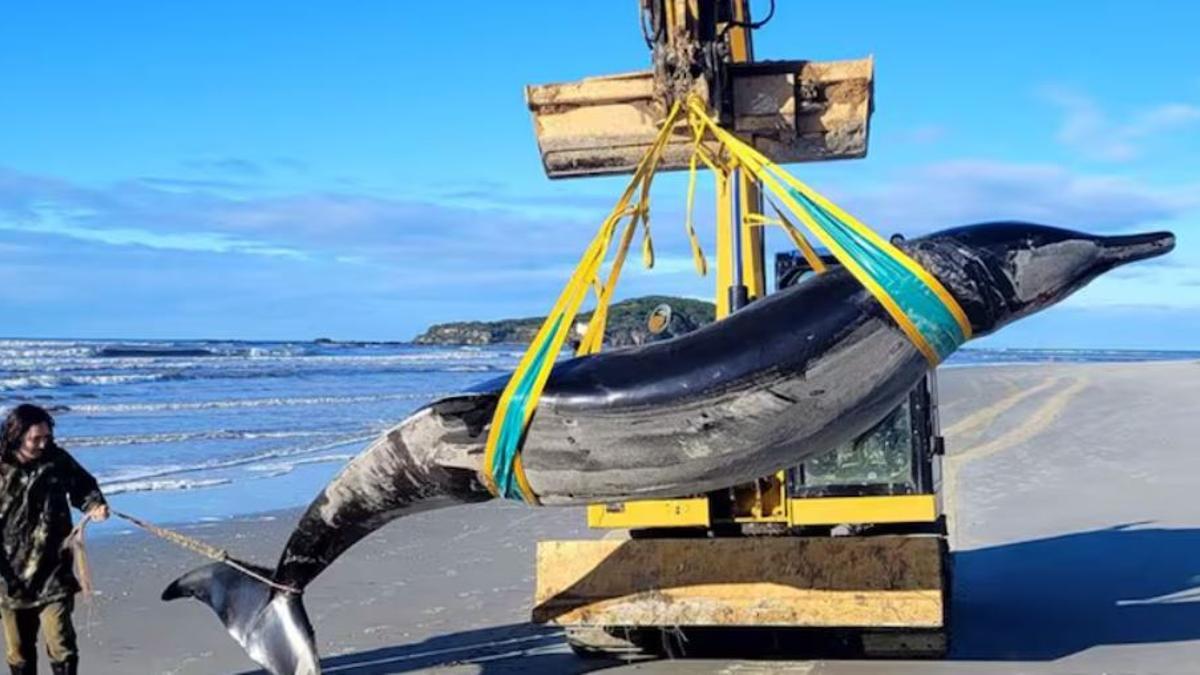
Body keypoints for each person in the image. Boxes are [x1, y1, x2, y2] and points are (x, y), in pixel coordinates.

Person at [0, 405, 108, 675]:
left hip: (53, 570)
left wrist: (95, 506)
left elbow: (84, 487)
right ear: (16, 435)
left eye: (46, 437)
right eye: (36, 439)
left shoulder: (57, 460)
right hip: (9, 576)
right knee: (19, 650)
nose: (42, 444)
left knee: (62, 643)